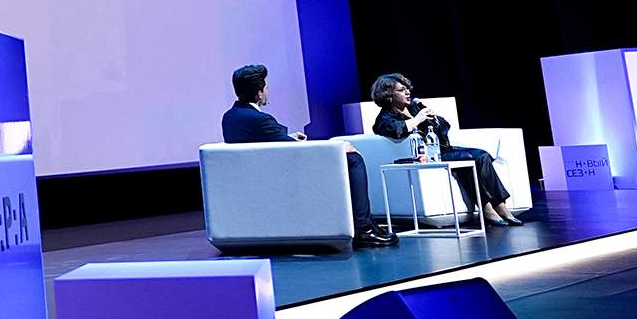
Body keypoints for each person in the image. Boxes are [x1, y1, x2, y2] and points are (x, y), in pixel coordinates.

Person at [221, 64, 397, 248]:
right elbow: (290, 148)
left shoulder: (230, 117)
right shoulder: (260, 119)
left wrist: (289, 138)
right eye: (266, 87)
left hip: (261, 174)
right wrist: (337, 148)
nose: (267, 91)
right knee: (353, 159)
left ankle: (366, 222)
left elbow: (261, 142)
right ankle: (363, 228)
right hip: (281, 175)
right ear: (259, 93)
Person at [369, 73, 522, 226]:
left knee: (482, 155)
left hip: (443, 149)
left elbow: (445, 127)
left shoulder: (414, 108)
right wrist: (417, 120)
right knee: (467, 159)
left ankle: (500, 206)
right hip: (426, 156)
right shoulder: (385, 117)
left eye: (407, 88)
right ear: (389, 96)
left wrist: (435, 119)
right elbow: (394, 130)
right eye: (401, 90)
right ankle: (486, 208)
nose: (408, 92)